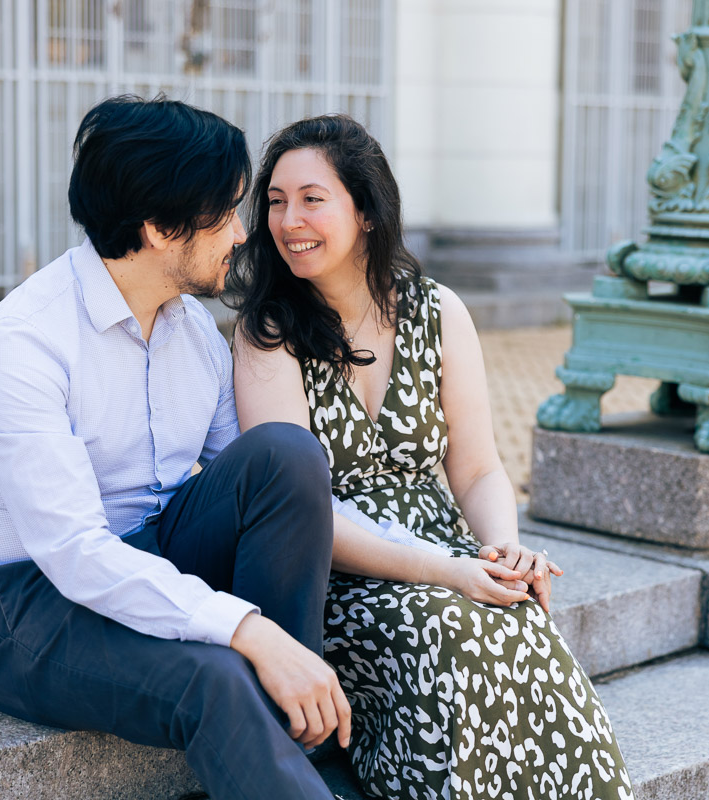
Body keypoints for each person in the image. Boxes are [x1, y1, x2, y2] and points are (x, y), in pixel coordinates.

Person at [0, 95, 350, 800]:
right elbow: (74, 554)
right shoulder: (24, 341)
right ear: (160, 228)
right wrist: (248, 629)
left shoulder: (191, 331)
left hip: (145, 551)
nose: (245, 233)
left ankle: (292, 756)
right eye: (225, 214)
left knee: (286, 454)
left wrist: (449, 566)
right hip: (22, 607)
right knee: (216, 675)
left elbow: (264, 488)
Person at [229, 115, 634, 800]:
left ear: (365, 211)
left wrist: (502, 549)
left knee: (523, 625)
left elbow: (477, 469)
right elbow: (304, 511)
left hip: (447, 554)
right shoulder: (268, 332)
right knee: (446, 630)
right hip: (340, 576)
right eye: (275, 200)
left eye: (311, 198)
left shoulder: (436, 310)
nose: (287, 219)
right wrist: (449, 573)